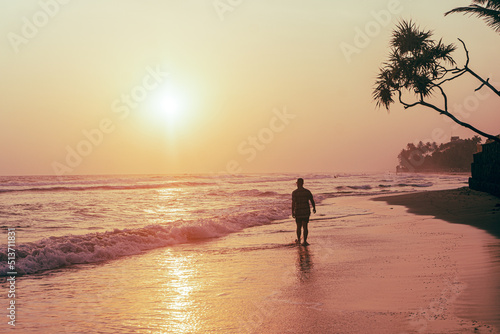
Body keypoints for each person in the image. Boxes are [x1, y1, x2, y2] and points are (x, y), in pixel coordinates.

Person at [292, 178, 316, 246]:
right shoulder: (307, 191)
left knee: (298, 226)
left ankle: (299, 240)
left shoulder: (295, 192)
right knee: (305, 226)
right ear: (303, 183)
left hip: (298, 211)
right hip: (306, 211)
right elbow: (312, 200)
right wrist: (314, 208)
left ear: (297, 184)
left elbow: (293, 203)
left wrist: (292, 211)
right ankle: (305, 241)